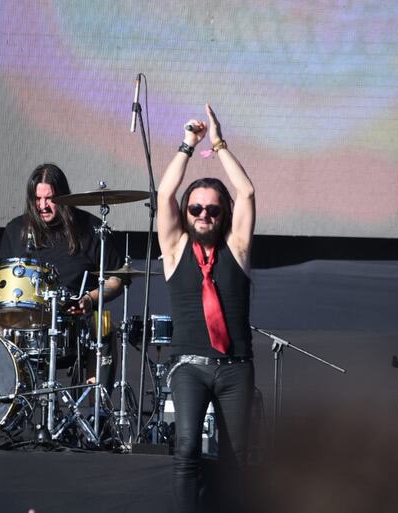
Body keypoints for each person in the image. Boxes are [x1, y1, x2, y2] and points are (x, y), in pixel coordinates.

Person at [157, 104, 255, 513]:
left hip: (235, 367)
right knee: (186, 449)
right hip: (190, 366)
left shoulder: (236, 247)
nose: (203, 215)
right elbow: (164, 194)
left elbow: (246, 192)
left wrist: (218, 143)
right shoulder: (175, 247)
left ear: (222, 214)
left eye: (212, 209)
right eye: (195, 208)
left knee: (236, 459)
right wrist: (187, 145)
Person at [0, 163, 124, 390]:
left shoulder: (91, 229)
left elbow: (117, 279)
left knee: (103, 324)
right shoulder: (16, 230)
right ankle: (2, 403)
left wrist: (89, 299)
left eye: (50, 199)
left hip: (75, 319)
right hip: (23, 320)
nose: (43, 206)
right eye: (37, 199)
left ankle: (96, 405)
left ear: (63, 197)